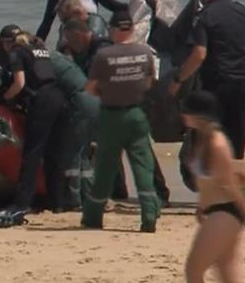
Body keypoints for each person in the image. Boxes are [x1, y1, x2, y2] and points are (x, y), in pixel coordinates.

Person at [64, 18, 171, 205]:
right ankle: (121, 190)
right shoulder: (97, 49)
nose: (71, 46)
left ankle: (159, 192)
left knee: (137, 151)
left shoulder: (101, 51)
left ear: (79, 35)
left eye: (71, 40)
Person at [169, 0, 245, 160]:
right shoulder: (243, 12)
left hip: (216, 85)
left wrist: (179, 79)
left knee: (212, 141)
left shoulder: (205, 17)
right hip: (241, 85)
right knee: (237, 143)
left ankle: (215, 183)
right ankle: (238, 181)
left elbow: (199, 55)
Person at [82, 10, 161, 233]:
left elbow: (91, 88)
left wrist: (110, 90)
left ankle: (93, 217)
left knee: (105, 169)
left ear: (114, 30)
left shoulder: (104, 55)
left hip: (111, 115)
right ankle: (149, 215)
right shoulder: (144, 52)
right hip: (136, 113)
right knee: (143, 167)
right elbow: (148, 82)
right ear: (132, 29)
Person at [181, 91, 245, 282]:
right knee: (226, 272)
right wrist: (201, 206)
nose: (182, 115)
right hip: (215, 211)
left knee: (193, 270)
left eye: (185, 111)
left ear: (198, 115)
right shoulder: (201, 139)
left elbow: (232, 186)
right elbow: (207, 183)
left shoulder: (217, 145)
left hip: (227, 212)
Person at [2, 32, 67, 213]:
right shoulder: (41, 50)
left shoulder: (17, 52)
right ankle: (57, 202)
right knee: (54, 153)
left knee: (32, 153)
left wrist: (6, 97)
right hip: (58, 97)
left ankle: (22, 203)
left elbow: (19, 83)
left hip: (42, 101)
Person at [48, 49, 98, 211]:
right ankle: (89, 196)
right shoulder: (61, 59)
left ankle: (73, 199)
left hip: (80, 102)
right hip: (93, 99)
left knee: (72, 152)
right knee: (83, 152)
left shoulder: (46, 61)